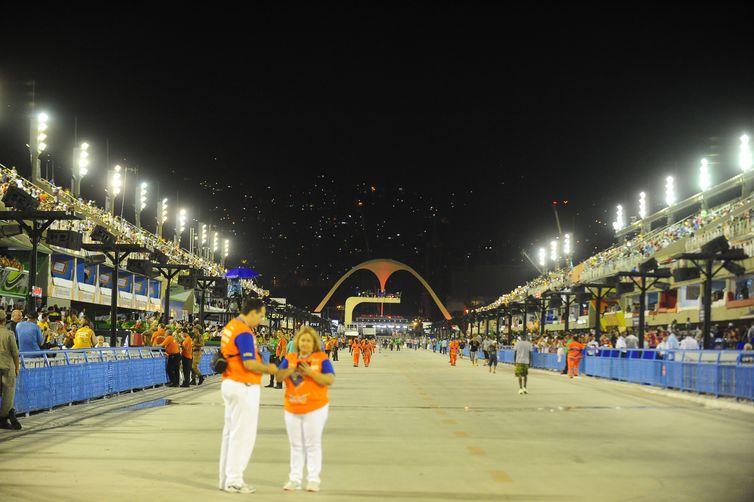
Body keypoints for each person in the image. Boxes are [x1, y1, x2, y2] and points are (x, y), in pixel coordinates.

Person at [218, 299, 277, 494]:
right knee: (243, 435)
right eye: (260, 315)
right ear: (252, 312)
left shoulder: (231, 326)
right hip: (243, 383)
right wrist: (270, 369)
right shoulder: (244, 332)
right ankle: (234, 479)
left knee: (231, 433)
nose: (261, 320)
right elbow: (250, 363)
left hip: (230, 382)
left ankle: (225, 478)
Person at [275, 326, 335, 492]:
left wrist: (311, 372)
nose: (305, 343)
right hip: (292, 407)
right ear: (298, 342)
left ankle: (313, 479)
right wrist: (290, 370)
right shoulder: (291, 358)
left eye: (308, 340)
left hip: (315, 407)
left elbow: (329, 379)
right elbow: (278, 376)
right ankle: (294, 478)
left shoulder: (321, 358)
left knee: (312, 443)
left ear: (314, 343)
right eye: (302, 340)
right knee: (295, 444)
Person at [0, 311, 22, 430]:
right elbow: (15, 353)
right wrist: (17, 368)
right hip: (7, 367)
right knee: (8, 394)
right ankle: (3, 420)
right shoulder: (9, 334)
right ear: (5, 320)